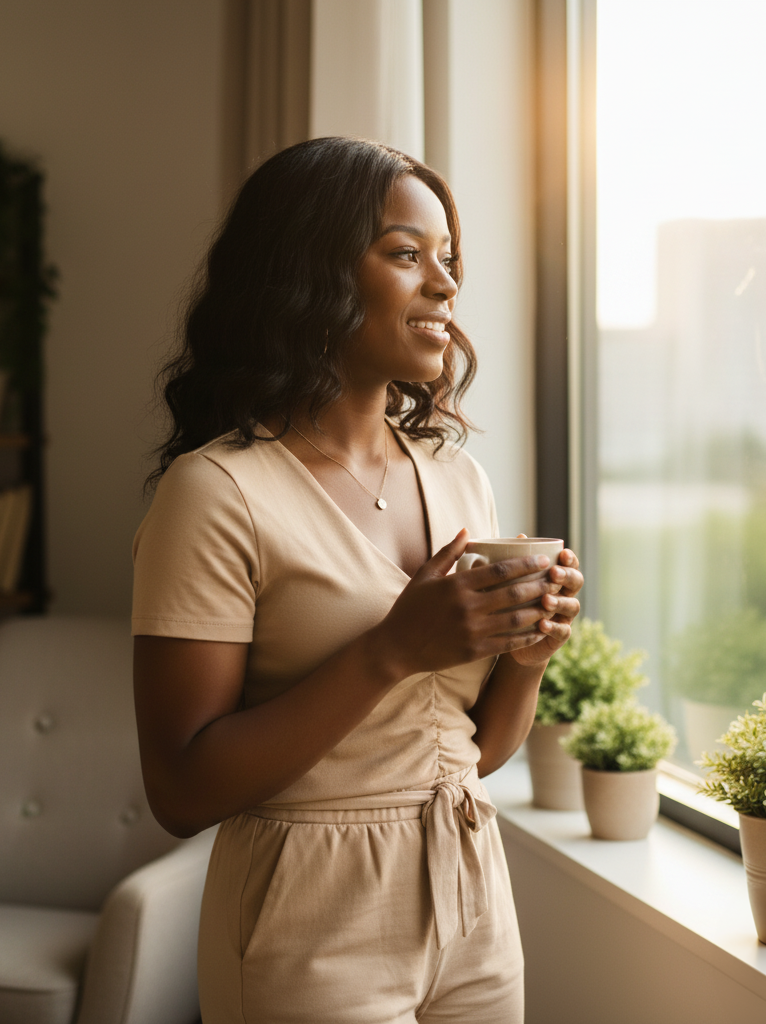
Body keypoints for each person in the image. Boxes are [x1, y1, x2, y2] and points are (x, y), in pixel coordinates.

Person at [132, 136, 583, 1024]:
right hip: (310, 917)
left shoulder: (461, 480)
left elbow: (468, 754)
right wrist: (391, 651)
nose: (446, 287)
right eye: (407, 255)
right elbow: (180, 792)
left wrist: (528, 658)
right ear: (310, 272)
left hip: (474, 906)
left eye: (448, 260)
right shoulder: (216, 492)